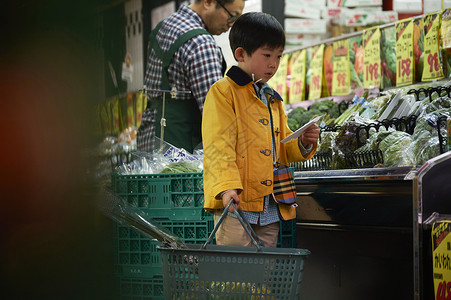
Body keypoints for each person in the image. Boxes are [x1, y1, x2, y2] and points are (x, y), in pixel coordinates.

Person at [202, 12, 320, 247]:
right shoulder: (223, 92)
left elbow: (283, 146)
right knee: (236, 272)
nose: (273, 64)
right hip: (236, 200)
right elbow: (218, 146)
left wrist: (303, 142)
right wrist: (226, 188)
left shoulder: (272, 98)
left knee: (266, 271)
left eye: (278, 56)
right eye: (267, 55)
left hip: (270, 202)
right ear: (240, 54)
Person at [137, 0, 246, 153]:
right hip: (180, 154)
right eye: (231, 16)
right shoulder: (201, 44)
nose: (231, 25)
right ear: (208, 2)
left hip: (148, 144)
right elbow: (217, 116)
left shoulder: (162, 28)